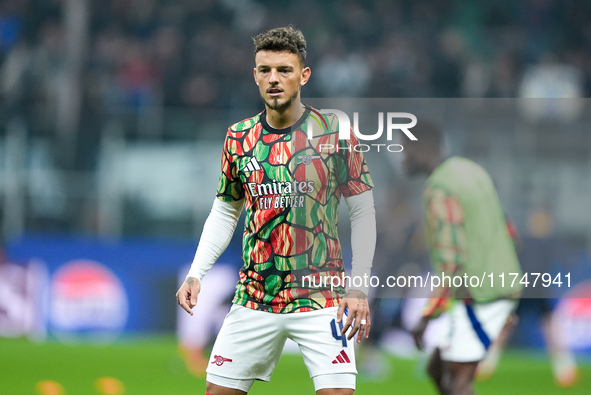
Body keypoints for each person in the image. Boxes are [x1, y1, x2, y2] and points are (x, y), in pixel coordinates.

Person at [176, 26, 376, 395]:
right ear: (254, 75)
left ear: (304, 75)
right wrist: (196, 272)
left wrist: (358, 288)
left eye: (284, 70)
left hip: (322, 299)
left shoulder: (335, 133)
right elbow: (225, 211)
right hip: (255, 297)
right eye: (264, 70)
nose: (273, 79)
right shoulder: (239, 137)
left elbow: (363, 212)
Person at [403, 122, 522, 395]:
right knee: (437, 368)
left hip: (480, 294)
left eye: (405, 149)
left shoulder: (439, 189)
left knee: (458, 379)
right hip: (495, 286)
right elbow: (509, 230)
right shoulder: (471, 170)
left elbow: (451, 263)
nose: (402, 157)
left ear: (423, 148)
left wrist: (427, 317)